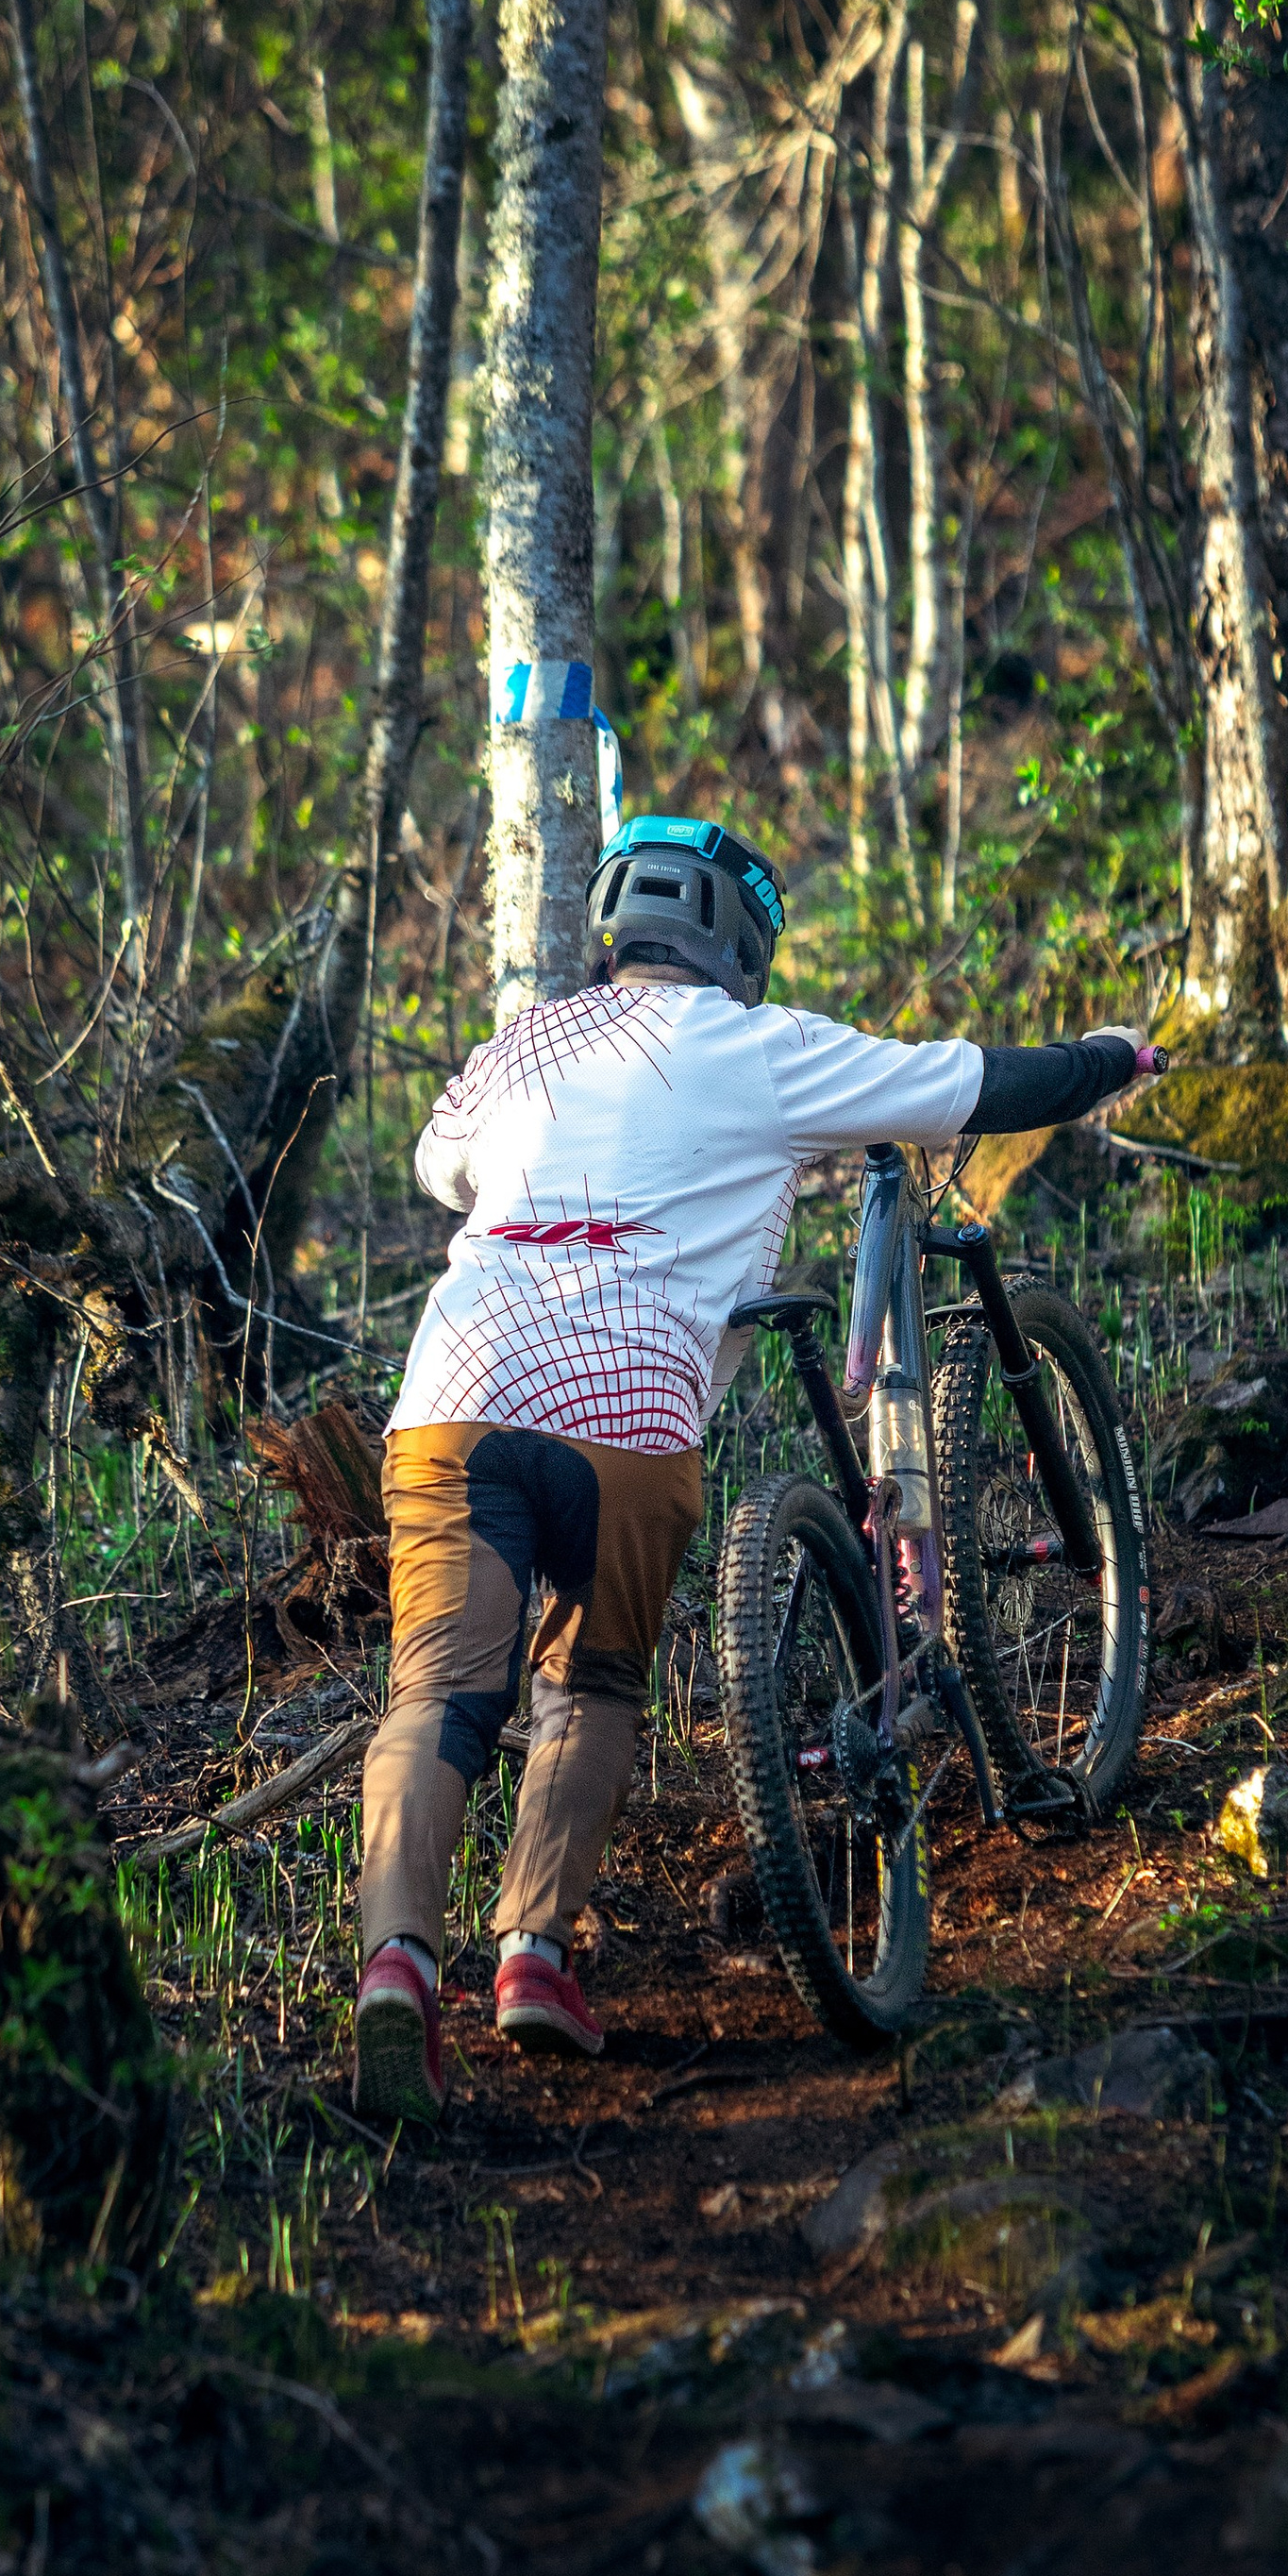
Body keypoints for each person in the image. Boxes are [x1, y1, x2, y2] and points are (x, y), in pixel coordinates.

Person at [350, 814, 1161, 2127]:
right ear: (741, 942)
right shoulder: (764, 1050)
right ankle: (532, 1960)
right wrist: (1104, 1060)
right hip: (625, 1417)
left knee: (439, 1692)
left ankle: (398, 1964)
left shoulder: (516, 1047)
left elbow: (443, 1170)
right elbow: (972, 1088)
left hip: (455, 1398)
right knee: (590, 1684)